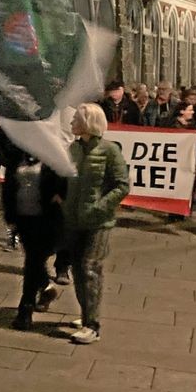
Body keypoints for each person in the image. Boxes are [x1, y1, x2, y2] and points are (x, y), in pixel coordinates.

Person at [62, 104, 130, 345]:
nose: (71, 124)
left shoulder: (109, 150)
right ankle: (86, 314)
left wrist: (100, 207)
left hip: (98, 222)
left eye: (75, 120)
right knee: (78, 270)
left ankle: (93, 325)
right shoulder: (75, 148)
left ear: (88, 122)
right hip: (74, 219)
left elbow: (122, 185)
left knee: (90, 268)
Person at [2, 139, 67, 331]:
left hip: (45, 220)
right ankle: (46, 289)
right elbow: (8, 187)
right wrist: (10, 216)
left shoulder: (54, 158)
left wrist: (60, 197)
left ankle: (25, 311)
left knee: (32, 262)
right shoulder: (17, 156)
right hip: (23, 219)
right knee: (33, 261)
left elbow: (66, 182)